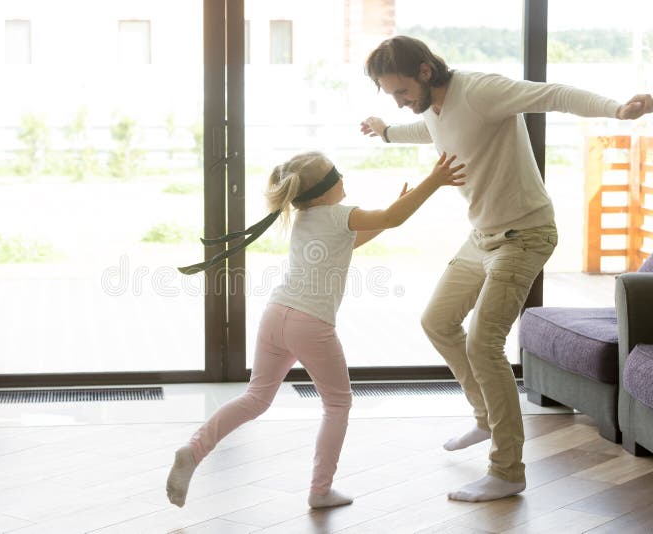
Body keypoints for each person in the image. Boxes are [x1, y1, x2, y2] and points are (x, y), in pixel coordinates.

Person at [360, 35, 653, 503]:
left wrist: (617, 108)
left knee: (483, 342)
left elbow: (551, 93)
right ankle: (485, 416)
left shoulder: (480, 91)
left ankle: (507, 470)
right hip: (481, 238)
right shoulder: (431, 109)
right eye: (390, 96)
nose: (398, 101)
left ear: (424, 72)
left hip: (525, 234)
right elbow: (435, 133)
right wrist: (387, 130)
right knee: (437, 320)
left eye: (399, 92)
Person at [168, 150, 465, 508]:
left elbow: (362, 234)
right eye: (338, 174)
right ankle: (319, 490)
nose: (344, 179)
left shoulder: (305, 218)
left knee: (255, 398)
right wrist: (433, 181)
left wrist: (393, 211)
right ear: (326, 189)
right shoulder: (340, 215)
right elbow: (391, 218)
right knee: (338, 403)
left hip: (276, 315)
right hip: (311, 323)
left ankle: (194, 449)